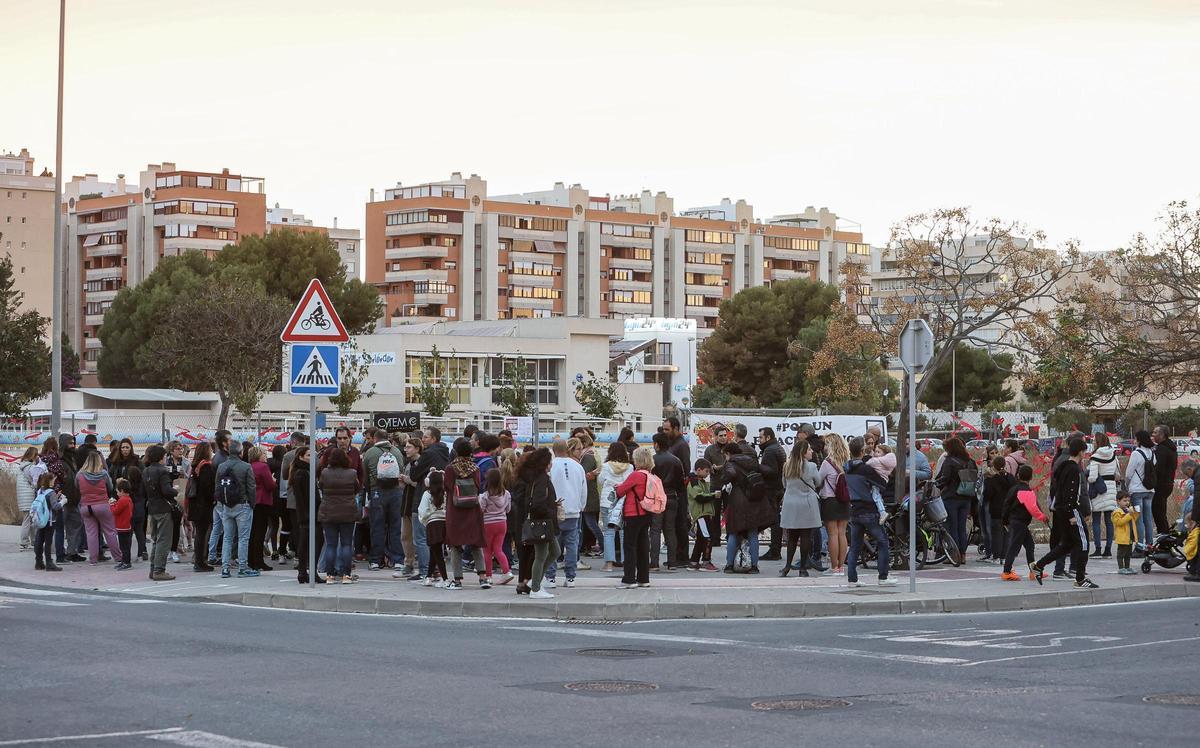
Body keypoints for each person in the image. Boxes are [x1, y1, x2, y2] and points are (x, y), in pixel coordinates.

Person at [1031, 438, 1099, 588]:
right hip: (1071, 510)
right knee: (1083, 544)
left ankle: (1038, 566)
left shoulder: (1063, 466)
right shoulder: (1074, 469)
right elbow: (1071, 493)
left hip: (1061, 509)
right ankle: (1080, 578)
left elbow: (1058, 490)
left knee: (1067, 545)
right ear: (1081, 452)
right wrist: (1071, 515)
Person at [716, 441, 775, 574]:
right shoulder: (752, 461)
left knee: (733, 532)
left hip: (738, 500)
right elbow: (768, 471)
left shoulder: (730, 463)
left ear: (728, 453)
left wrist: (724, 477)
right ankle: (754, 566)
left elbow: (729, 475)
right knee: (753, 533)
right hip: (754, 499)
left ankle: (729, 565)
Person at [442, 440, 488, 590]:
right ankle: (483, 577)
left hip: (455, 510)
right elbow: (477, 485)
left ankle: (457, 580)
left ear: (455, 451)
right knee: (475, 543)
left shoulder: (450, 469)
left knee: (455, 545)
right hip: (472, 509)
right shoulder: (475, 468)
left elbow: (447, 487)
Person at [361, 427, 406, 572]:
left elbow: (365, 476)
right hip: (396, 492)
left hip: (377, 492)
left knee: (377, 527)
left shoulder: (370, 452)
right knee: (395, 526)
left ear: (375, 439)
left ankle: (375, 560)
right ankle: (398, 560)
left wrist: (370, 491)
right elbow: (402, 470)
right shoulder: (397, 452)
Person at [542, 439, 585, 588]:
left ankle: (551, 577)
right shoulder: (578, 467)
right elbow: (583, 489)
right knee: (572, 545)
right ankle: (571, 577)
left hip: (554, 511)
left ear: (553, 450)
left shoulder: (551, 467)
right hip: (573, 511)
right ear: (567, 449)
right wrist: (581, 505)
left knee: (552, 546)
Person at [615, 446, 658, 588]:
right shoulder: (650, 476)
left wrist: (617, 487)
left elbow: (621, 491)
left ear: (637, 460)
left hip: (633, 514)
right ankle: (643, 578)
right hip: (647, 513)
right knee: (643, 546)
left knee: (630, 546)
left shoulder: (636, 475)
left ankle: (629, 579)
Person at [317, 447, 361, 584]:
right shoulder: (352, 473)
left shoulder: (324, 473)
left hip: (328, 511)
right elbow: (357, 489)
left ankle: (330, 575)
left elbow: (321, 486)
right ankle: (346, 575)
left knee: (331, 544)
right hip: (348, 511)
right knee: (347, 544)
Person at [779, 440, 822, 577]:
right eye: (809, 449)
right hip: (807, 503)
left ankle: (787, 566)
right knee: (805, 536)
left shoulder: (787, 466)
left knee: (792, 537)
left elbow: (784, 484)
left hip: (791, 503)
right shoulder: (812, 466)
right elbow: (819, 481)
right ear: (803, 452)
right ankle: (803, 568)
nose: (811, 452)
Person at [214, 440, 257, 580]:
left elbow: (217, 487)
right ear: (241, 452)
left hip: (226, 505)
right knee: (243, 538)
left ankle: (225, 568)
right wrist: (252, 503)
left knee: (227, 537)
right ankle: (242, 567)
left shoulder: (221, 466)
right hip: (242, 504)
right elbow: (251, 487)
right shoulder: (246, 467)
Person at [523, 448, 561, 599]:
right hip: (543, 522)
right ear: (545, 463)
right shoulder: (542, 479)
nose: (551, 464)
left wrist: (552, 504)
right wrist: (550, 509)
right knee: (541, 555)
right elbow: (538, 503)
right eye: (550, 461)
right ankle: (536, 588)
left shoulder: (535, 477)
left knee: (555, 552)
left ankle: (535, 580)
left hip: (543, 521)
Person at [1000, 464, 1047, 581]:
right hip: (1020, 522)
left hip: (1014, 521)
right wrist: (1043, 517)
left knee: (1030, 545)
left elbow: (1006, 505)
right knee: (1014, 547)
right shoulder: (1027, 491)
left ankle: (1034, 571)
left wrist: (1005, 521)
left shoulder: (1014, 489)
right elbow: (1032, 508)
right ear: (1031, 477)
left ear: (1019, 476)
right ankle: (1006, 571)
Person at [76, 450, 122, 567]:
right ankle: (117, 557)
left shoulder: (80, 475)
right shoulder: (103, 474)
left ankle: (93, 559)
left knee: (91, 533)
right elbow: (110, 487)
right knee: (110, 532)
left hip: (86, 507)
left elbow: (77, 487)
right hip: (102, 505)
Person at [649, 432, 687, 571]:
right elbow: (681, 484)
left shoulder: (652, 460)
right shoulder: (676, 460)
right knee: (670, 530)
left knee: (655, 530)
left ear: (657, 444)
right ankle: (672, 562)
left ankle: (654, 563)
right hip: (671, 497)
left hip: (656, 499)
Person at [143, 445, 181, 581]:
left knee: (155, 540)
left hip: (152, 508)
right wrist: (175, 489)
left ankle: (153, 569)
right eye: (165, 456)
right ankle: (159, 570)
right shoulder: (162, 471)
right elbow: (166, 491)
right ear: (160, 457)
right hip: (164, 508)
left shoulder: (146, 471)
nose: (166, 458)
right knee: (164, 540)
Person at [818, 433, 851, 576]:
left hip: (830, 500)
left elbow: (818, 481)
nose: (824, 447)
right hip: (845, 500)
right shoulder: (847, 461)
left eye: (826, 444)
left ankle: (834, 567)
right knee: (842, 533)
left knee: (832, 534)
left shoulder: (827, 462)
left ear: (831, 446)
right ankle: (842, 567)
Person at [936, 437, 975, 557]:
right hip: (966, 498)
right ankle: (962, 554)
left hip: (951, 497)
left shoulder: (949, 461)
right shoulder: (970, 461)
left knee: (952, 527)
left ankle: (955, 555)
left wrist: (935, 484)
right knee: (961, 527)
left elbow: (944, 478)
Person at [290, 447, 323, 585]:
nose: (312, 458)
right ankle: (309, 572)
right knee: (313, 543)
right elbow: (306, 497)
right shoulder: (303, 473)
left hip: (306, 514)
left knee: (305, 543)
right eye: (309, 455)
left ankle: (304, 572)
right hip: (309, 514)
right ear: (301, 457)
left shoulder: (303, 472)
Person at [598, 441, 631, 573]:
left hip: (608, 501)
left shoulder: (606, 466)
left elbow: (600, 481)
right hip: (623, 501)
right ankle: (625, 561)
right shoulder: (630, 467)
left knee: (609, 532)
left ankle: (609, 564)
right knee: (623, 533)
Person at [757, 427, 788, 561]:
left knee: (773, 519)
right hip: (778, 488)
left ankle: (774, 550)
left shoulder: (769, 450)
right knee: (775, 519)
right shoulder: (777, 447)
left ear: (768, 437)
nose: (759, 440)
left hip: (772, 489)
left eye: (761, 437)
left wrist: (756, 466)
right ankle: (775, 549)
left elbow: (771, 471)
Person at [1087, 433, 1120, 558]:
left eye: (1095, 440)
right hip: (1111, 489)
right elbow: (1117, 474)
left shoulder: (1095, 457)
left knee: (1096, 520)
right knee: (1109, 521)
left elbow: (1093, 477)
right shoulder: (1113, 454)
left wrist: (1088, 476)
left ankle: (1098, 549)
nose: (1093, 442)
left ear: (1098, 442)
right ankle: (1108, 550)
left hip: (1098, 490)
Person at [399, 437, 427, 581]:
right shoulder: (408, 463)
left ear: (417, 448)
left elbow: (421, 484)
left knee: (418, 538)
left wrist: (409, 480)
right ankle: (408, 563)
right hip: (407, 502)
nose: (406, 449)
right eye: (406, 447)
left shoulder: (422, 463)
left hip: (417, 503)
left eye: (409, 447)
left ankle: (422, 567)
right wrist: (402, 482)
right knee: (405, 536)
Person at [480, 468, 514, 584]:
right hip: (502, 523)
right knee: (498, 549)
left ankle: (488, 576)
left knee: (487, 551)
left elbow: (481, 510)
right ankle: (506, 571)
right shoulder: (507, 494)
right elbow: (508, 509)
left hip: (488, 524)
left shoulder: (485, 496)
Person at [1126, 430, 1157, 553]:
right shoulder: (1152, 453)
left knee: (1139, 520)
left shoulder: (1136, 454)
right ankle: (1149, 546)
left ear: (1139, 440)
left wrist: (1127, 485)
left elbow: (1129, 473)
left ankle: (1139, 547)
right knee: (1148, 520)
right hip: (1149, 490)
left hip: (1137, 490)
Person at [246, 447, 276, 572]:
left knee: (252, 532)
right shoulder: (263, 467)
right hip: (263, 500)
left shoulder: (249, 466)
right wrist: (274, 480)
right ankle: (259, 560)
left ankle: (251, 560)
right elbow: (270, 485)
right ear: (259, 455)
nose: (266, 456)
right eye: (264, 453)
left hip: (252, 501)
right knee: (260, 531)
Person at [188, 443, 216, 572]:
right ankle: (200, 561)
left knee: (199, 532)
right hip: (203, 505)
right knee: (202, 533)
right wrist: (214, 499)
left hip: (195, 503)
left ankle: (199, 560)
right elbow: (207, 487)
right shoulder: (206, 467)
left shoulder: (195, 466)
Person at [418, 470, 449, 587]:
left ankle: (445, 579)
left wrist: (424, 521)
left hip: (432, 524)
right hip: (444, 524)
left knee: (437, 553)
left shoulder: (427, 494)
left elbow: (423, 510)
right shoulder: (445, 493)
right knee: (434, 551)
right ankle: (428, 577)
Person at [982, 456, 1015, 564]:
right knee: (1006, 533)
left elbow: (987, 495)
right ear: (1004, 465)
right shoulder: (1011, 478)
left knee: (996, 534)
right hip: (1009, 510)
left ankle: (996, 556)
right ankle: (1004, 557)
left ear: (994, 466)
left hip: (996, 509)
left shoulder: (992, 480)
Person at [686, 459, 718, 571]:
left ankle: (694, 562)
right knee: (708, 537)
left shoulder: (701, 481)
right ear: (699, 470)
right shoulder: (693, 482)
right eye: (707, 471)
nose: (708, 474)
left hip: (704, 513)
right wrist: (714, 495)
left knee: (701, 538)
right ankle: (706, 561)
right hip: (701, 514)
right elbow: (700, 497)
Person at [577, 434, 603, 560]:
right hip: (592, 495)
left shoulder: (587, 457)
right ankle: (602, 546)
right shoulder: (593, 454)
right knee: (590, 523)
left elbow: (583, 476)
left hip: (589, 496)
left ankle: (603, 545)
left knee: (591, 523)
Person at [31, 474, 64, 571]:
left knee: (39, 540)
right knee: (48, 542)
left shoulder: (40, 491)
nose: (54, 482)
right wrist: (63, 501)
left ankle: (38, 562)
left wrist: (55, 498)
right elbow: (55, 506)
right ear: (49, 481)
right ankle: (49, 563)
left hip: (40, 520)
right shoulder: (51, 493)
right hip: (50, 521)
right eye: (53, 480)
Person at [164, 441, 190, 564]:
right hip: (168, 495)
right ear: (171, 450)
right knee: (166, 524)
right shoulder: (165, 462)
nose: (180, 451)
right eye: (177, 449)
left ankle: (174, 550)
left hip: (180, 494)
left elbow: (189, 477)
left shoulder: (185, 462)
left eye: (181, 448)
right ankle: (167, 549)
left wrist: (183, 474)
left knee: (176, 523)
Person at [13, 446, 42, 550]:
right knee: (28, 520)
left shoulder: (22, 465)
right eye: (36, 455)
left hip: (23, 497)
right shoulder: (29, 467)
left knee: (29, 519)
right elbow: (34, 482)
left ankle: (32, 541)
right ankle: (24, 542)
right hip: (28, 496)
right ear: (33, 456)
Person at [1151, 425, 1178, 535]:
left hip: (1161, 485)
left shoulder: (1162, 449)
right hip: (1168, 483)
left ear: (1162, 435)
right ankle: (1165, 533)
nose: (1153, 435)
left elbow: (1158, 469)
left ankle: (1163, 535)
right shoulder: (1171, 448)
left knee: (1157, 511)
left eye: (1155, 432)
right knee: (1161, 511)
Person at [1112, 491, 1140, 575]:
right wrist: (1129, 515)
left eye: (1128, 501)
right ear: (1118, 501)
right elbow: (1119, 522)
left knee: (1128, 553)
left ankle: (1127, 567)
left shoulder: (1128, 510)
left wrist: (1136, 513)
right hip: (1122, 536)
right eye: (1124, 501)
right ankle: (1121, 568)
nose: (1127, 503)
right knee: (1121, 553)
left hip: (1130, 536)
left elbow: (1134, 519)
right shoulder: (1117, 512)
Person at [111, 478, 135, 571]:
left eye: (117, 492)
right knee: (125, 546)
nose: (117, 493)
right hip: (126, 526)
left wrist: (112, 504)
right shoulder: (128, 499)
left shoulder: (123, 500)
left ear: (121, 491)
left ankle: (126, 562)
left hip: (122, 526)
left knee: (124, 546)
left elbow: (115, 511)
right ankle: (124, 561)